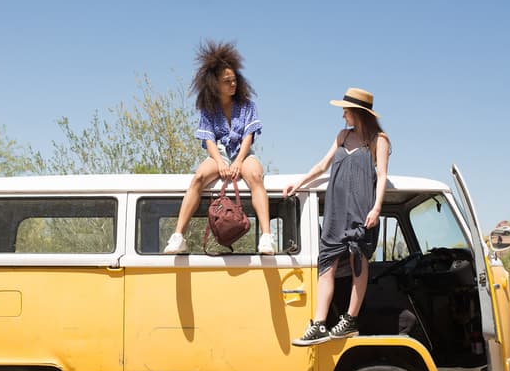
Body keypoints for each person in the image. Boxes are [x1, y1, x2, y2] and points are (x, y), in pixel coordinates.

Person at [283, 87, 391, 345]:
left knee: (357, 259)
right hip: (335, 209)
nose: (343, 115)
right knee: (327, 263)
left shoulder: (379, 140)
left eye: (345, 110)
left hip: (362, 208)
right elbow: (322, 166)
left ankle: (350, 319)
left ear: (357, 112)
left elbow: (383, 176)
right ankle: (319, 324)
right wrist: (299, 184)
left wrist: (376, 208)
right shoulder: (343, 136)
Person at [164, 40, 274, 255]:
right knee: (197, 178)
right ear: (215, 84)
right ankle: (178, 236)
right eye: (227, 81)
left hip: (243, 152)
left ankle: (267, 236)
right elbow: (209, 141)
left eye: (234, 80)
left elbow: (248, 137)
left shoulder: (248, 105)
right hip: (219, 154)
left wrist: (239, 162)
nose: (233, 84)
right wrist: (221, 163)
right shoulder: (208, 108)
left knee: (256, 177)